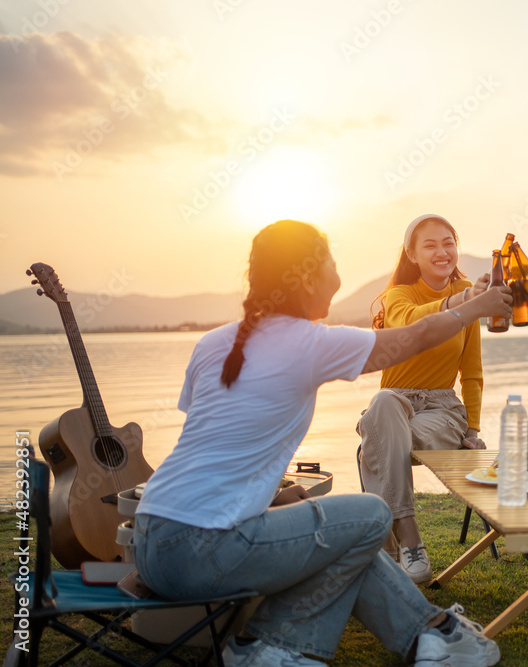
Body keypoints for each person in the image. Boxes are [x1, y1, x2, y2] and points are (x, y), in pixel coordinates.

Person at [133, 220, 508, 667]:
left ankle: (433, 635)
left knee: (347, 537)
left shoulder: (212, 344)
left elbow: (212, 454)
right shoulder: (309, 343)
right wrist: (478, 303)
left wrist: (272, 497)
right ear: (308, 276)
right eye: (332, 263)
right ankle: (270, 645)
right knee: (371, 514)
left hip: (150, 539)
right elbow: (417, 336)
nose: (339, 277)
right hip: (206, 552)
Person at [358, 214, 488, 584]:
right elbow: (410, 321)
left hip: (442, 410)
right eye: (430, 245)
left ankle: (387, 551)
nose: (442, 251)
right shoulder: (399, 296)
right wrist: (466, 300)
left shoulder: (469, 290)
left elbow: (472, 371)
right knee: (383, 404)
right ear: (412, 255)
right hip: (397, 405)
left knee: (376, 441)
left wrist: (474, 426)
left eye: (448, 242)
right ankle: (410, 534)